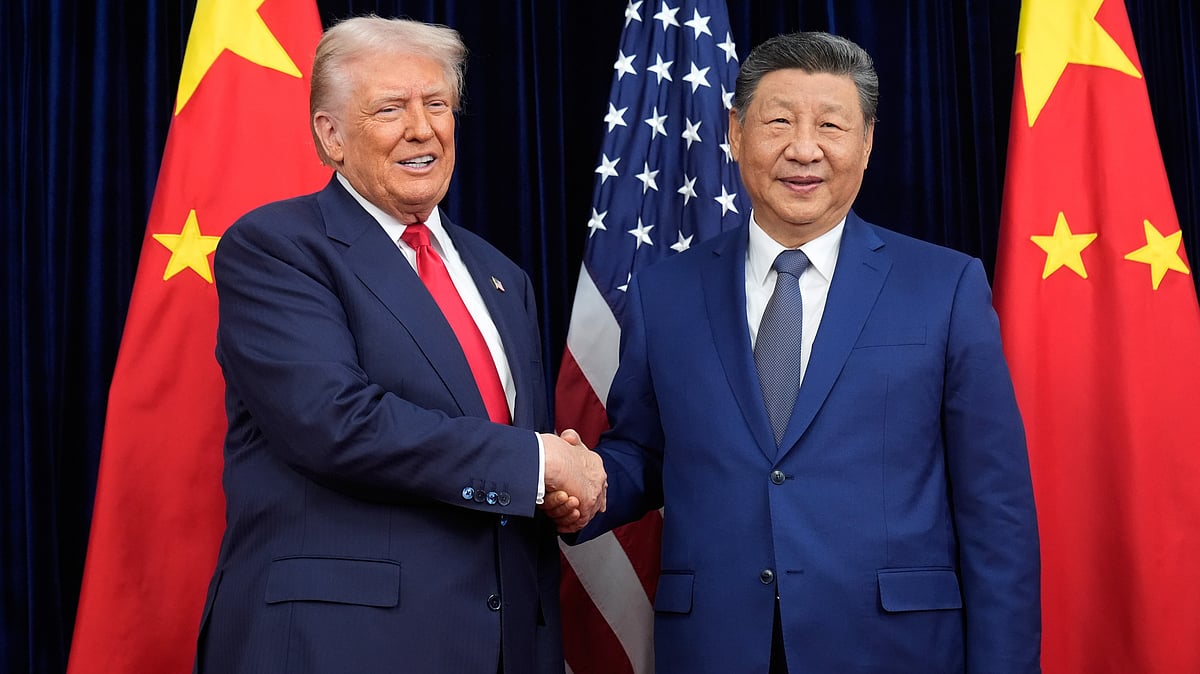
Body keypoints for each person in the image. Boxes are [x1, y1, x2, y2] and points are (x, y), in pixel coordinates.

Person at [551, 31, 1040, 673]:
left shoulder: (944, 287)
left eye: (831, 125)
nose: (803, 149)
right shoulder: (663, 291)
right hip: (717, 647)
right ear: (736, 131)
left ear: (866, 141)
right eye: (778, 121)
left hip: (894, 648)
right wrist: (588, 486)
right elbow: (645, 450)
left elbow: (995, 509)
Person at [195, 16, 605, 674]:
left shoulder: (503, 277)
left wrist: (550, 488)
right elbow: (334, 422)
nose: (422, 129)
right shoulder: (276, 247)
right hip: (340, 647)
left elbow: (495, 453)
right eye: (391, 108)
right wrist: (537, 462)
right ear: (330, 135)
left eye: (436, 104)